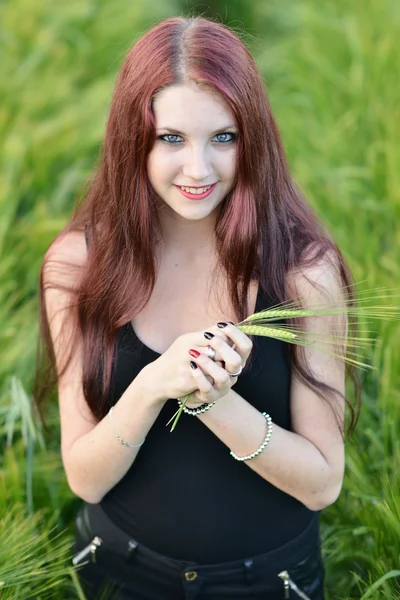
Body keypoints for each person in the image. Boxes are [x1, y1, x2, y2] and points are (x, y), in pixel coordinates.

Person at [36, 15, 361, 600]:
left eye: (223, 137)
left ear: (252, 137)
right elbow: (85, 478)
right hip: (121, 571)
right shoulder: (77, 267)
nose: (198, 169)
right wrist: (153, 384)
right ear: (132, 139)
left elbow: (322, 484)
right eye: (171, 139)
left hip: (267, 582)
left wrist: (214, 402)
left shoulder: (303, 274)